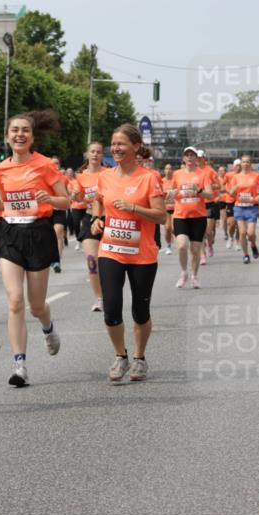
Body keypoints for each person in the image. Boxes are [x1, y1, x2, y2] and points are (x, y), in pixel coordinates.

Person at [0, 112, 69, 387]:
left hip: (38, 233)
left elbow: (65, 201)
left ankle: (48, 328)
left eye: (25, 130)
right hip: (10, 233)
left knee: (36, 305)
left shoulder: (45, 165)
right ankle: (20, 364)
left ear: (32, 137)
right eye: (14, 130)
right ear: (7, 136)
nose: (19, 135)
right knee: (15, 301)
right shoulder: (0, 169)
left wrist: (49, 198)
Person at [90, 124, 165, 382]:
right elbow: (99, 202)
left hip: (141, 254)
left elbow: (161, 216)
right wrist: (97, 219)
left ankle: (140, 358)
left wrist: (134, 207)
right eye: (114, 143)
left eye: (122, 144)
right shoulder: (105, 176)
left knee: (140, 311)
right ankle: (121, 356)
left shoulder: (149, 178)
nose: (116, 148)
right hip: (111, 250)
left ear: (135, 146)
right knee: (111, 308)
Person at [172, 146, 213, 288]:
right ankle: (184, 272)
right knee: (182, 245)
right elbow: (171, 191)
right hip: (180, 216)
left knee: (195, 250)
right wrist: (171, 194)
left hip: (198, 216)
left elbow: (210, 195)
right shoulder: (177, 174)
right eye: (187, 155)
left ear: (196, 158)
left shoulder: (203, 174)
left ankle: (195, 276)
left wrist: (199, 190)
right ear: (183, 158)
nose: (189, 157)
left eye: (192, 155)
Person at [74, 140, 106, 311]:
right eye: (92, 151)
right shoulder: (81, 176)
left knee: (108, 262)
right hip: (89, 219)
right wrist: (74, 195)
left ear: (102, 155)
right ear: (87, 154)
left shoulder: (110, 173)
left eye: (98, 152)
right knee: (92, 260)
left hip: (109, 219)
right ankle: (99, 298)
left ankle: (111, 292)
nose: (95, 154)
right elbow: (79, 198)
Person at [227, 155, 259, 264]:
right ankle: (246, 255)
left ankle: (253, 244)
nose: (246, 164)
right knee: (242, 233)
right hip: (239, 207)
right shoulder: (236, 177)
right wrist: (233, 190)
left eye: (248, 162)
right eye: (244, 162)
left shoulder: (256, 176)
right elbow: (231, 193)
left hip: (252, 207)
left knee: (251, 233)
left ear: (251, 164)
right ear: (241, 164)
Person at [197, 150, 219, 262]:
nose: (198, 159)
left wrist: (209, 186)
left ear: (204, 158)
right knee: (201, 231)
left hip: (209, 202)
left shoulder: (210, 170)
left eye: (200, 157)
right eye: (197, 157)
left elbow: (218, 185)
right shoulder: (193, 171)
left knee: (208, 231)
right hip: (197, 203)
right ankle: (202, 255)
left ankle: (210, 244)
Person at [50, 155, 69, 272]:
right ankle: (49, 257)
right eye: (52, 163)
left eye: (56, 163)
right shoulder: (43, 176)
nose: (54, 166)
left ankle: (57, 260)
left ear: (60, 165)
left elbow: (68, 192)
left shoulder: (63, 178)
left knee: (58, 231)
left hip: (59, 210)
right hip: (46, 210)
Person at [161, 163, 176, 254]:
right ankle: (168, 245)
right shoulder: (161, 181)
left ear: (172, 170)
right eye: (166, 169)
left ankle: (173, 235)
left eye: (170, 169)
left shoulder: (175, 181)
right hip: (165, 208)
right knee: (167, 228)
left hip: (176, 207)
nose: (168, 170)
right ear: (164, 171)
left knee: (173, 228)